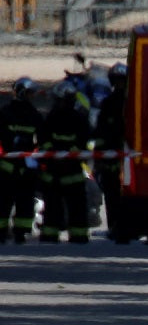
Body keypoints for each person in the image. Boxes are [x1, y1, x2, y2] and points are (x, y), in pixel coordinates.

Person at [39, 81, 91, 244]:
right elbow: (44, 140)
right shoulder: (69, 118)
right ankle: (74, 235)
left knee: (65, 206)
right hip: (65, 171)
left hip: (63, 170)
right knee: (64, 206)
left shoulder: (56, 117)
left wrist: (56, 153)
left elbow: (83, 143)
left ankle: (69, 234)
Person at [0, 77, 44, 244]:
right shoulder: (6, 113)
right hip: (9, 165)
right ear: (22, 93)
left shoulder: (34, 115)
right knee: (5, 201)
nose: (32, 97)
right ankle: (9, 232)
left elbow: (42, 140)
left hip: (25, 166)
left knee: (23, 201)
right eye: (30, 93)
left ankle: (20, 231)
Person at [93, 62, 127, 239]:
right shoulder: (108, 103)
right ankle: (115, 226)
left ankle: (124, 227)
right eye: (118, 81)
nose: (120, 84)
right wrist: (99, 156)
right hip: (111, 157)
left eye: (122, 81)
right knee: (112, 193)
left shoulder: (132, 102)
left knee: (123, 194)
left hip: (127, 157)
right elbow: (101, 131)